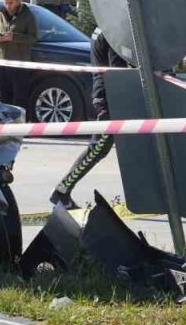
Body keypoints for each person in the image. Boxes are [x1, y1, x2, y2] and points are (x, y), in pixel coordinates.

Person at [49, 30, 129, 210]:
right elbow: (118, 73)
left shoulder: (103, 28)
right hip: (109, 98)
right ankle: (62, 190)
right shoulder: (112, 33)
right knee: (100, 146)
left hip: (109, 95)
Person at [0, 0, 37, 108]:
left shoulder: (27, 16)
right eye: (6, 2)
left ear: (18, 1)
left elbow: (33, 38)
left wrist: (14, 37)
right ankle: (5, 123)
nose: (8, 6)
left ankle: (20, 123)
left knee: (20, 98)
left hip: (19, 64)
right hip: (1, 63)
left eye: (11, 2)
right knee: (4, 97)